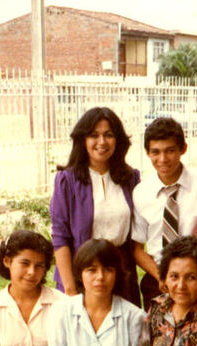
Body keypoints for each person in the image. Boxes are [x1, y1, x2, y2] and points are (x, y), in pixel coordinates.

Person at [50, 106, 141, 306]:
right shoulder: (67, 180)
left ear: (118, 140)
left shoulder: (130, 178)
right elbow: (60, 237)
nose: (102, 142)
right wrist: (70, 289)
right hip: (80, 276)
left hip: (120, 275)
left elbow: (137, 236)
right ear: (83, 140)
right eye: (94, 135)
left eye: (108, 135)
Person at [131, 117, 197, 310]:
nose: (162, 159)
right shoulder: (141, 192)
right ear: (147, 152)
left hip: (196, 281)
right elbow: (137, 249)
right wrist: (161, 276)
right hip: (158, 280)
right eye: (155, 152)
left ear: (183, 149)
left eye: (170, 150)